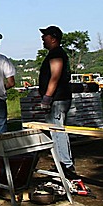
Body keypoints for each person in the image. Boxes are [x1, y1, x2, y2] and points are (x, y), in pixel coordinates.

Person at [39, 25, 78, 179]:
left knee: (57, 132)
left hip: (57, 99)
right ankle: (63, 163)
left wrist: (47, 97)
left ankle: (65, 165)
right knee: (58, 131)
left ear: (53, 38)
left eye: (45, 36)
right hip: (60, 98)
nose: (42, 39)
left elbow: (55, 76)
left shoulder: (56, 54)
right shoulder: (55, 53)